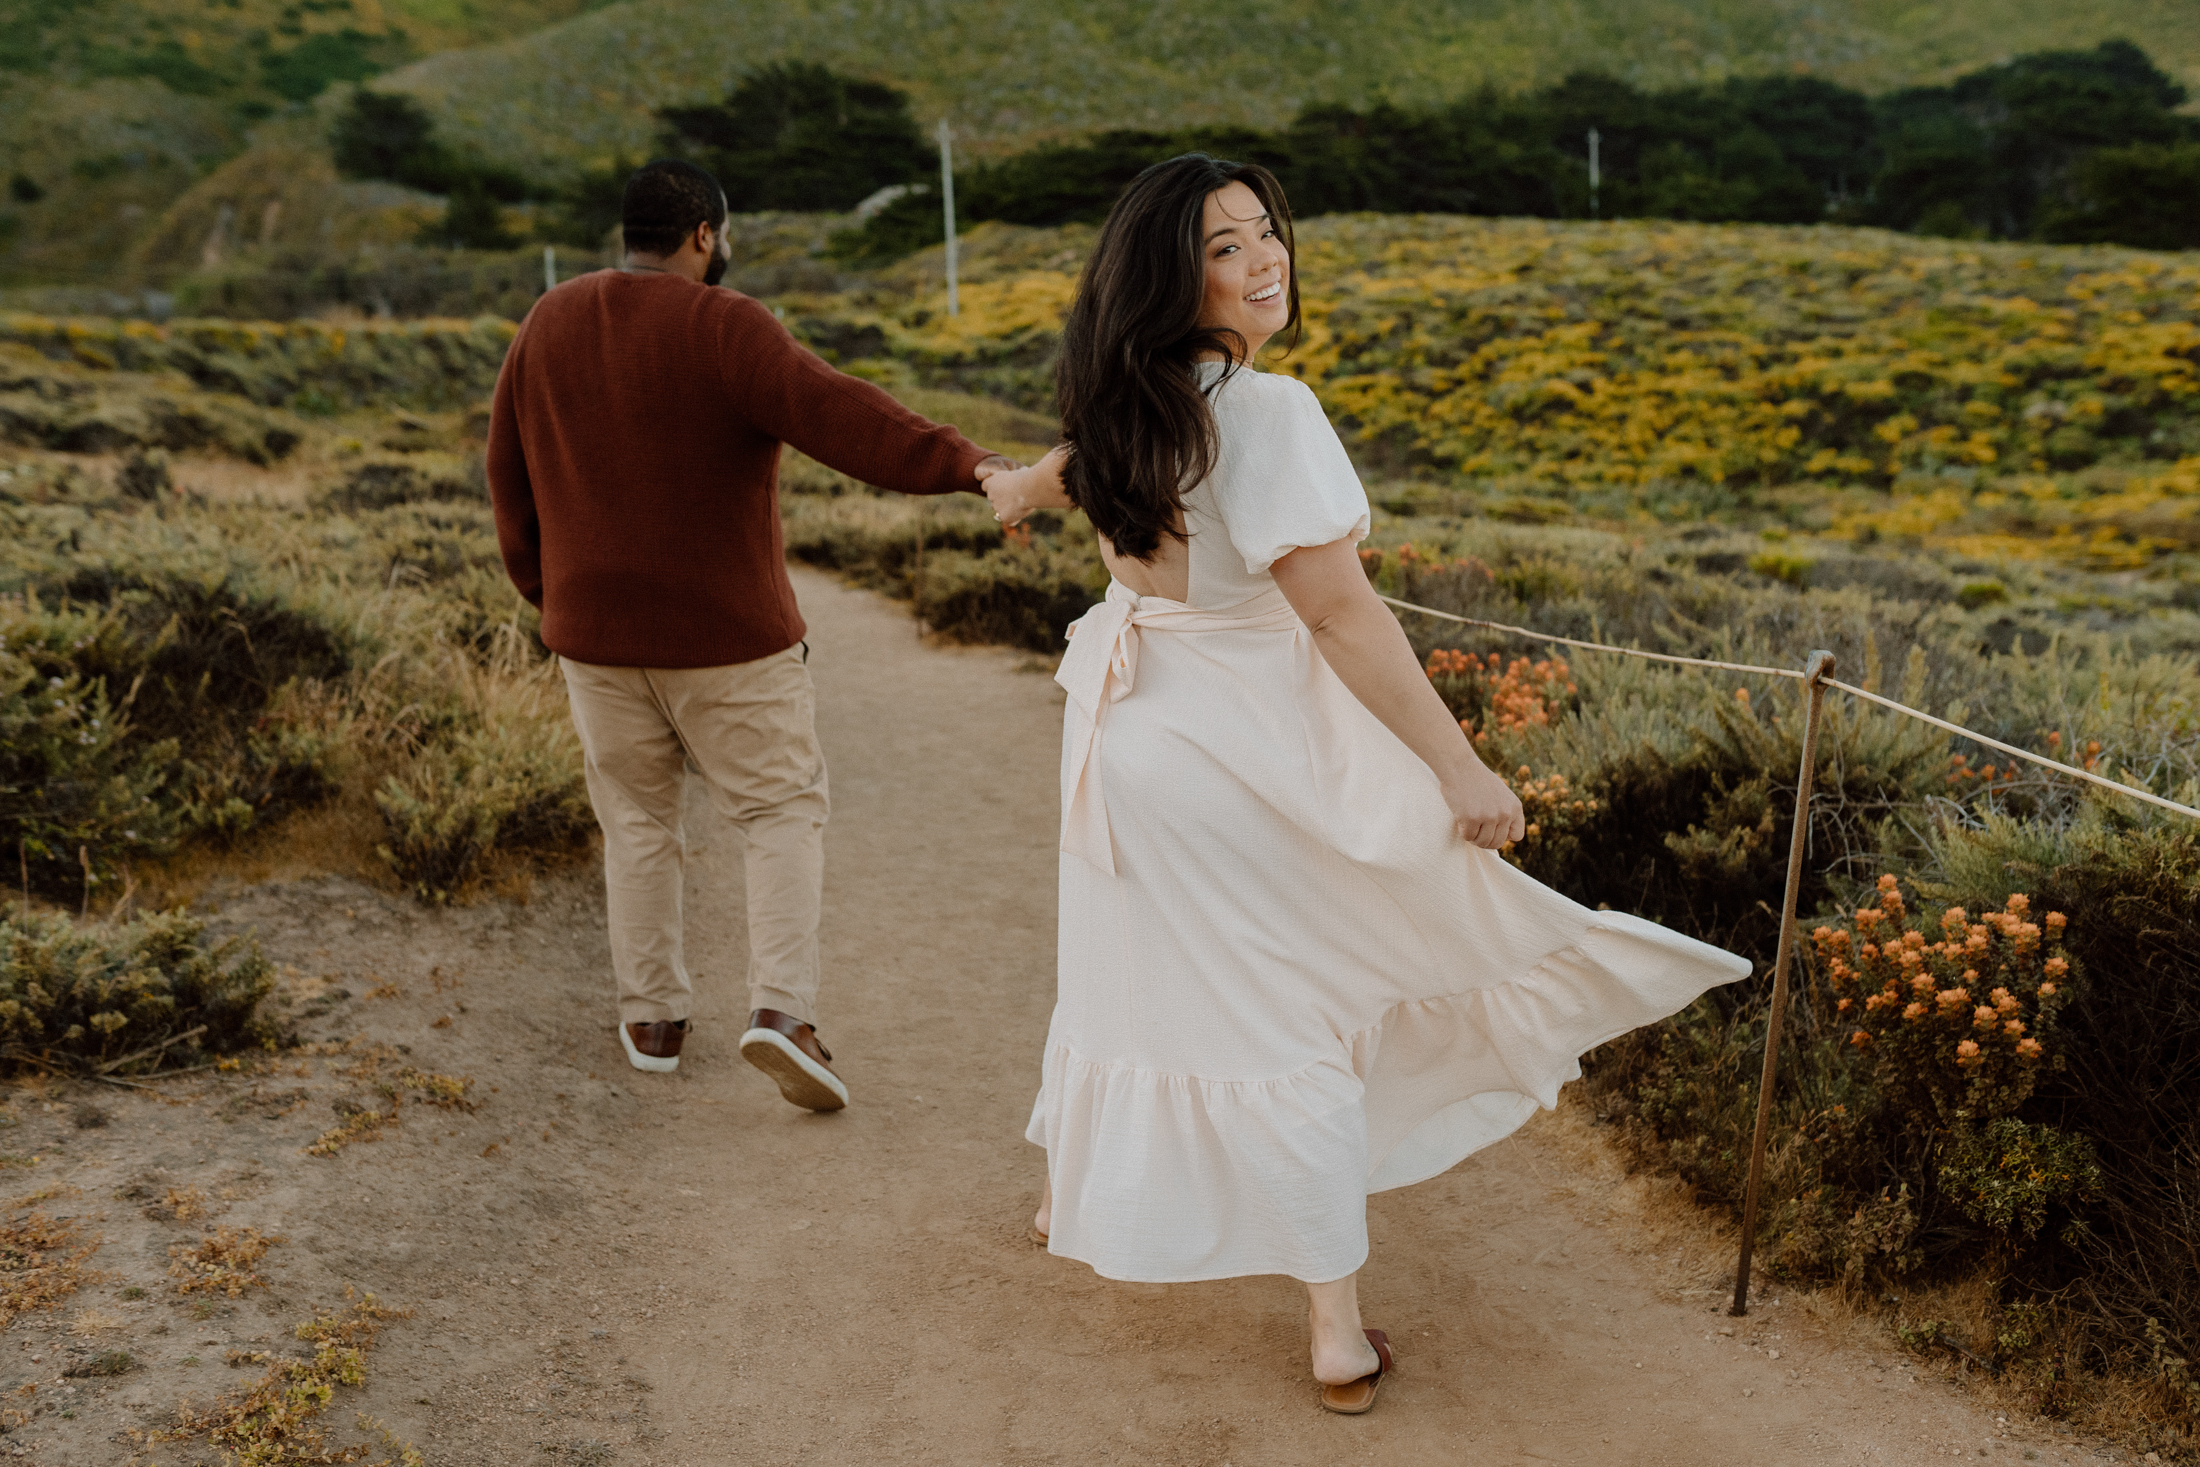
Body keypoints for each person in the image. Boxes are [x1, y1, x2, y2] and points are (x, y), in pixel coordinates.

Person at [978, 154, 1751, 1413]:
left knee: (1137, 975)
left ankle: (1075, 1195)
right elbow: (1338, 614)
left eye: (1264, 232)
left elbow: (1074, 462)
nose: (1262, 258)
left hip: (1130, 737)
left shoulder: (1131, 395)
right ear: (1173, 277)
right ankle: (1335, 1328)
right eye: (1225, 247)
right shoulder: (1267, 411)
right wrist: (1460, 766)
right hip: (1238, 749)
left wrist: (1016, 485)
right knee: (1288, 1012)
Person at [487, 159, 1019, 1107]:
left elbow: (508, 475)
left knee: (638, 822)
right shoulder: (723, 324)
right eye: (721, 236)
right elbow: (844, 416)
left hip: (593, 640)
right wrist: (970, 465)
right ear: (704, 234)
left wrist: (555, 601)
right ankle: (780, 1013)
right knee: (778, 810)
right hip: (730, 639)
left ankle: (651, 1019)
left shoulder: (548, 321)